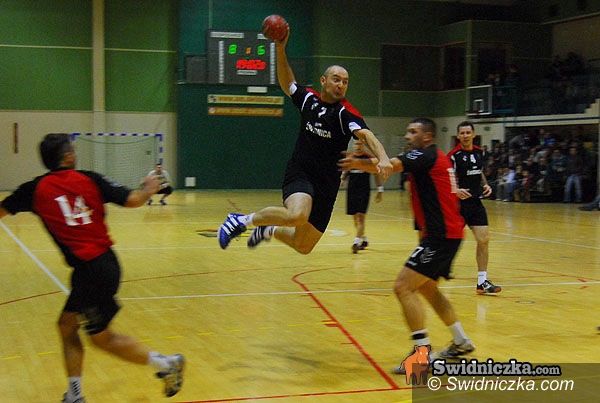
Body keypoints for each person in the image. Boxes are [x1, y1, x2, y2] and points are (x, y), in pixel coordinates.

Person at [0, 134, 184, 402]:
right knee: (68, 326)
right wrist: (147, 189)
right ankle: (76, 394)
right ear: (68, 157)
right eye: (73, 150)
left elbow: (2, 210)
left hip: (92, 271)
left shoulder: (33, 189)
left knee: (100, 338)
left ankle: (167, 364)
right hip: (101, 266)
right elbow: (133, 200)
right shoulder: (90, 179)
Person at [217, 24, 392, 254]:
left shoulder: (345, 112)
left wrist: (383, 157)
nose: (341, 85)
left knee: (303, 246)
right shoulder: (309, 99)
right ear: (323, 80)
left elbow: (365, 134)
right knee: (297, 215)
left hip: (327, 185)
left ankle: (268, 230)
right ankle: (240, 220)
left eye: (345, 82)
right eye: (336, 79)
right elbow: (288, 83)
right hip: (301, 173)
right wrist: (280, 48)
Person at [339, 118, 475, 371]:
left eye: (413, 132)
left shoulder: (425, 155)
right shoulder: (434, 157)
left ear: (427, 136)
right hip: (446, 234)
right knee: (428, 289)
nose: (407, 136)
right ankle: (461, 340)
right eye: (407, 131)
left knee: (403, 287)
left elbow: (389, 166)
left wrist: (355, 163)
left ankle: (422, 355)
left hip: (440, 237)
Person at [448, 122, 501, 294]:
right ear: (458, 136)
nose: (465, 135)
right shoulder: (453, 155)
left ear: (473, 134)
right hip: (458, 205)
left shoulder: (479, 152)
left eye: (468, 132)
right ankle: (439, 270)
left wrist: (485, 185)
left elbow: (479, 171)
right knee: (450, 241)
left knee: (483, 240)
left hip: (475, 203)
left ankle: (482, 282)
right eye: (462, 133)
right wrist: (455, 190)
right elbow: (448, 176)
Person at [340, 139, 384, 253]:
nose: (358, 146)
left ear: (363, 145)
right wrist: (342, 180)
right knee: (355, 219)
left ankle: (356, 242)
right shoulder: (351, 157)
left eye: (360, 144)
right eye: (356, 144)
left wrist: (380, 189)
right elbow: (346, 172)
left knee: (360, 217)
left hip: (363, 191)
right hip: (351, 191)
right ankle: (364, 239)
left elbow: (376, 173)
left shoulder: (369, 158)